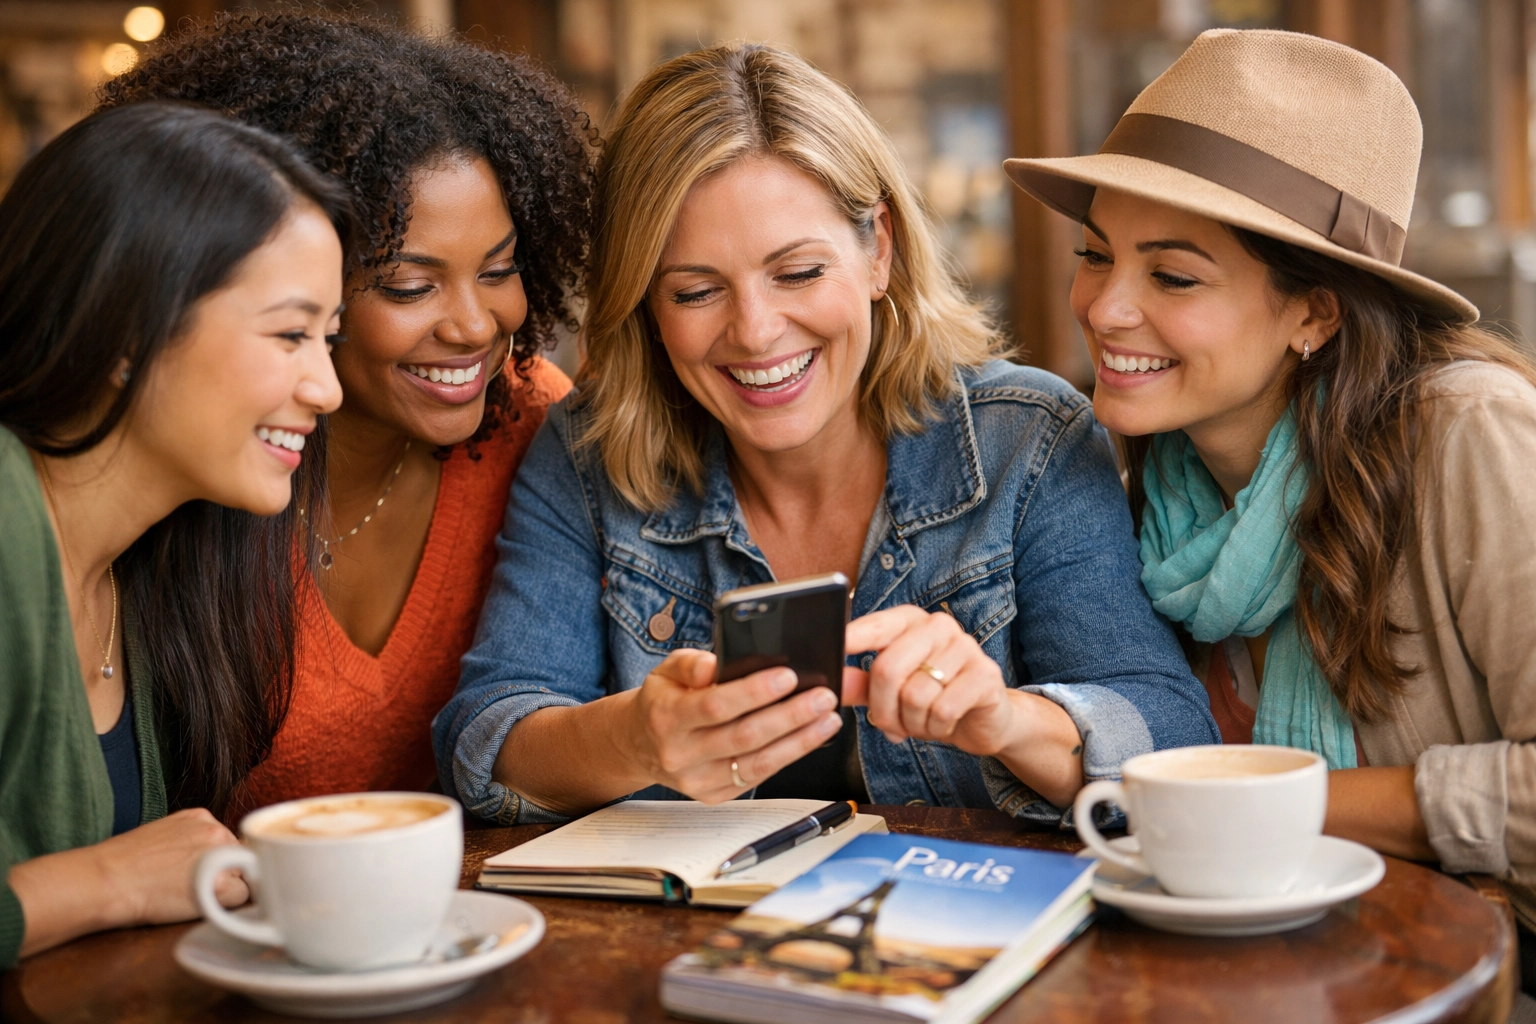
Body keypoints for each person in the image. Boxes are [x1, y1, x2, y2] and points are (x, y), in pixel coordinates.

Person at [433, 43, 1216, 825]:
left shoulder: (1028, 442)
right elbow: (484, 742)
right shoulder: (587, 454)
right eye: (696, 291)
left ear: (878, 249)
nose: (755, 331)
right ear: (645, 304)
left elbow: (1176, 739)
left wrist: (1009, 721)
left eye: (799, 273)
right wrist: (635, 740)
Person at [1007, 27, 1536, 994]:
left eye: (1173, 276)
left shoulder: (1472, 435)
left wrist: (1285, 805)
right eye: (1095, 254)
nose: (1105, 308)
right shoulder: (1147, 485)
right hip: (1248, 975)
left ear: (1315, 313)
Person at [100, 10, 596, 820]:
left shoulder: (529, 417)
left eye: (499, 269)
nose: (474, 326)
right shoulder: (191, 458)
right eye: (409, 286)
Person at [0, 102, 349, 964]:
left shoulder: (149, 573)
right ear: (125, 326)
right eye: (291, 334)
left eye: (330, 338)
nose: (328, 388)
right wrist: (107, 882)